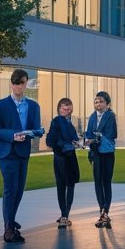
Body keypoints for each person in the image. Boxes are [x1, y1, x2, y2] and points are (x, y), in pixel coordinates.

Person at [0, 69, 43, 243]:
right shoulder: (0, 105)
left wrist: (34, 133)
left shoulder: (34, 106)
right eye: (16, 83)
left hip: (23, 152)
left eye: (22, 83)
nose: (19, 86)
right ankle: (8, 229)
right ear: (11, 84)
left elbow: (36, 128)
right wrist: (12, 135)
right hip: (6, 153)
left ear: (26, 84)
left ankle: (10, 221)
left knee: (19, 190)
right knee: (10, 188)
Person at [45, 97, 81, 229]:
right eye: (64, 108)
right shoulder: (56, 121)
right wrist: (66, 143)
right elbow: (50, 141)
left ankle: (65, 215)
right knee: (64, 186)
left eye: (68, 108)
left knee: (67, 186)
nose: (66, 110)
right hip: (62, 157)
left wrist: (75, 142)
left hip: (69, 156)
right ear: (59, 109)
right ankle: (64, 216)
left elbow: (74, 138)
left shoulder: (69, 122)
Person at [86, 91, 117, 228]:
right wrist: (91, 140)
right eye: (96, 101)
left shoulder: (110, 116)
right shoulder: (92, 117)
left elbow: (112, 134)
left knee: (106, 182)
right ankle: (101, 211)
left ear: (107, 104)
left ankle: (106, 212)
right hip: (95, 154)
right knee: (97, 182)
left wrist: (96, 137)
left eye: (101, 101)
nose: (98, 104)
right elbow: (88, 134)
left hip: (107, 154)